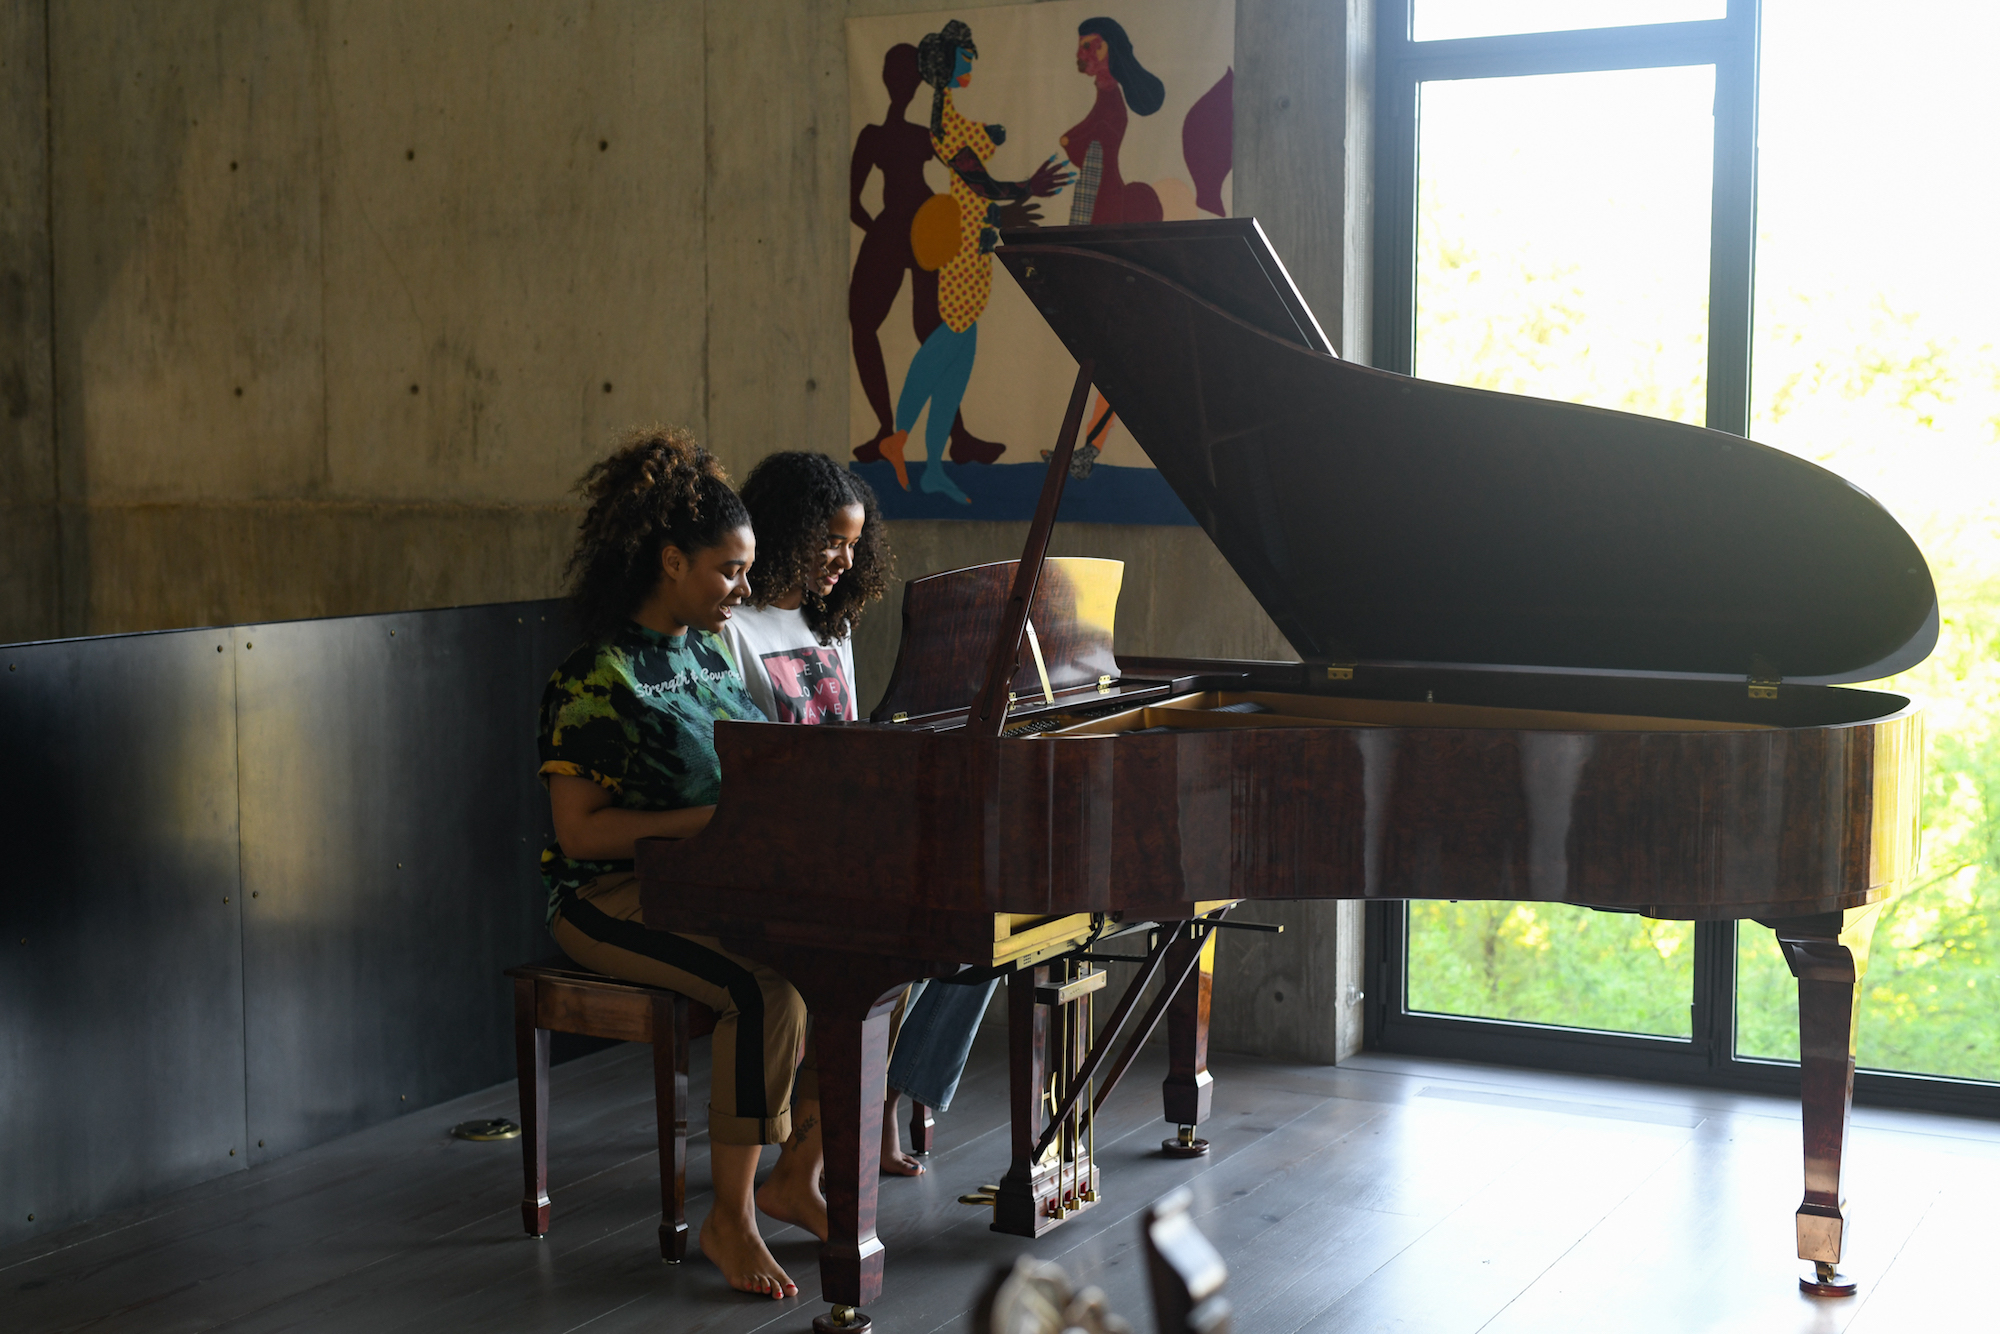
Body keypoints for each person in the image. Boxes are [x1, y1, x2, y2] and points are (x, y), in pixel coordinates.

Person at [536, 426, 819, 1301]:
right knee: (758, 989)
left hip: (701, 879)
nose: (743, 588)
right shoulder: (595, 674)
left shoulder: (705, 651)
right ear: (670, 560)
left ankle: (797, 1176)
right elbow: (579, 835)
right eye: (729, 571)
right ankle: (728, 1219)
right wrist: (715, 821)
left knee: (853, 948)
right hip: (603, 897)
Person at [723, 450, 999, 1164]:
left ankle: (881, 1102)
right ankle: (828, 1142)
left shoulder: (832, 627)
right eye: (830, 543)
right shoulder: (735, 628)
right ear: (785, 533)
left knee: (983, 912)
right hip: (778, 843)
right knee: (895, 925)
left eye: (853, 545)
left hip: (844, 834)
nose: (844, 560)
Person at [880, 19, 1072, 504]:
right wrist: (1029, 186)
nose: (971, 65)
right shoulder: (944, 125)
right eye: (965, 59)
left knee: (957, 368)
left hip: (977, 248)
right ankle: (898, 438)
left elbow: (979, 174)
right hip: (962, 255)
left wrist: (995, 136)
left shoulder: (952, 120)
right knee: (945, 350)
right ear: (948, 66)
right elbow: (981, 183)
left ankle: (933, 468)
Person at [1052, 17, 1167, 477]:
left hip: (1102, 213)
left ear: (1109, 51)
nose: (1083, 53)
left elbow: (1088, 152)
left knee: (1107, 351)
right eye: (1082, 45)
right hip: (1099, 208)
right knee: (1101, 352)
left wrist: (1067, 140)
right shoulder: (1105, 97)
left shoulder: (1109, 98)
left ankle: (1089, 450)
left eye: (1091, 46)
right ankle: (1087, 451)